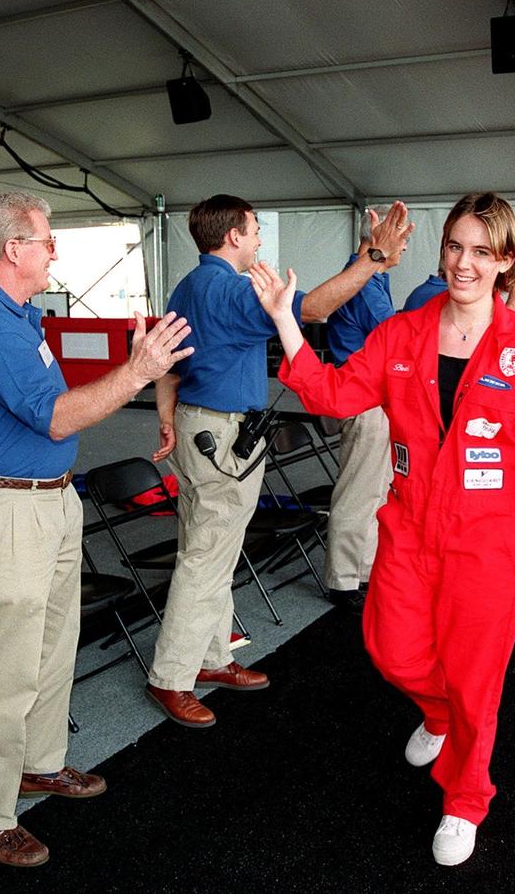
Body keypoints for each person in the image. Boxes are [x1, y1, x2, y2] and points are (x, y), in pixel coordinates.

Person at [246, 192, 515, 866]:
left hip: (488, 544)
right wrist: (286, 321)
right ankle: (439, 714)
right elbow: (333, 393)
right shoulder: (405, 332)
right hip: (409, 530)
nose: (463, 263)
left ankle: (465, 798)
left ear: (507, 262)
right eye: (455, 246)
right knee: (391, 648)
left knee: (478, 677)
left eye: (481, 251)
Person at [0, 191, 193, 868]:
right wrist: (137, 372)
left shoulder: (19, 314)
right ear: (14, 249)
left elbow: (49, 412)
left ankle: (39, 763)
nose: (55, 251)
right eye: (47, 240)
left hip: (48, 501)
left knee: (51, 645)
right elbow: (54, 417)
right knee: (4, 667)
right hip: (9, 511)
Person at [147, 194, 414, 729]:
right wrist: (375, 259)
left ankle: (211, 658)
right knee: (206, 558)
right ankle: (170, 677)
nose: (261, 240)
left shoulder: (189, 285)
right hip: (220, 436)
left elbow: (169, 363)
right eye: (254, 230)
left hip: (207, 429)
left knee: (212, 550)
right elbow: (309, 311)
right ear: (234, 237)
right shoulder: (226, 287)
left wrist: (167, 419)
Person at [321, 208, 403, 613]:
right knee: (359, 490)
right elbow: (396, 336)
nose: (404, 246)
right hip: (365, 400)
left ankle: (362, 570)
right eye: (399, 238)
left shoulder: (368, 277)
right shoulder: (365, 282)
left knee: (373, 488)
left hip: (369, 398)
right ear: (379, 240)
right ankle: (343, 579)